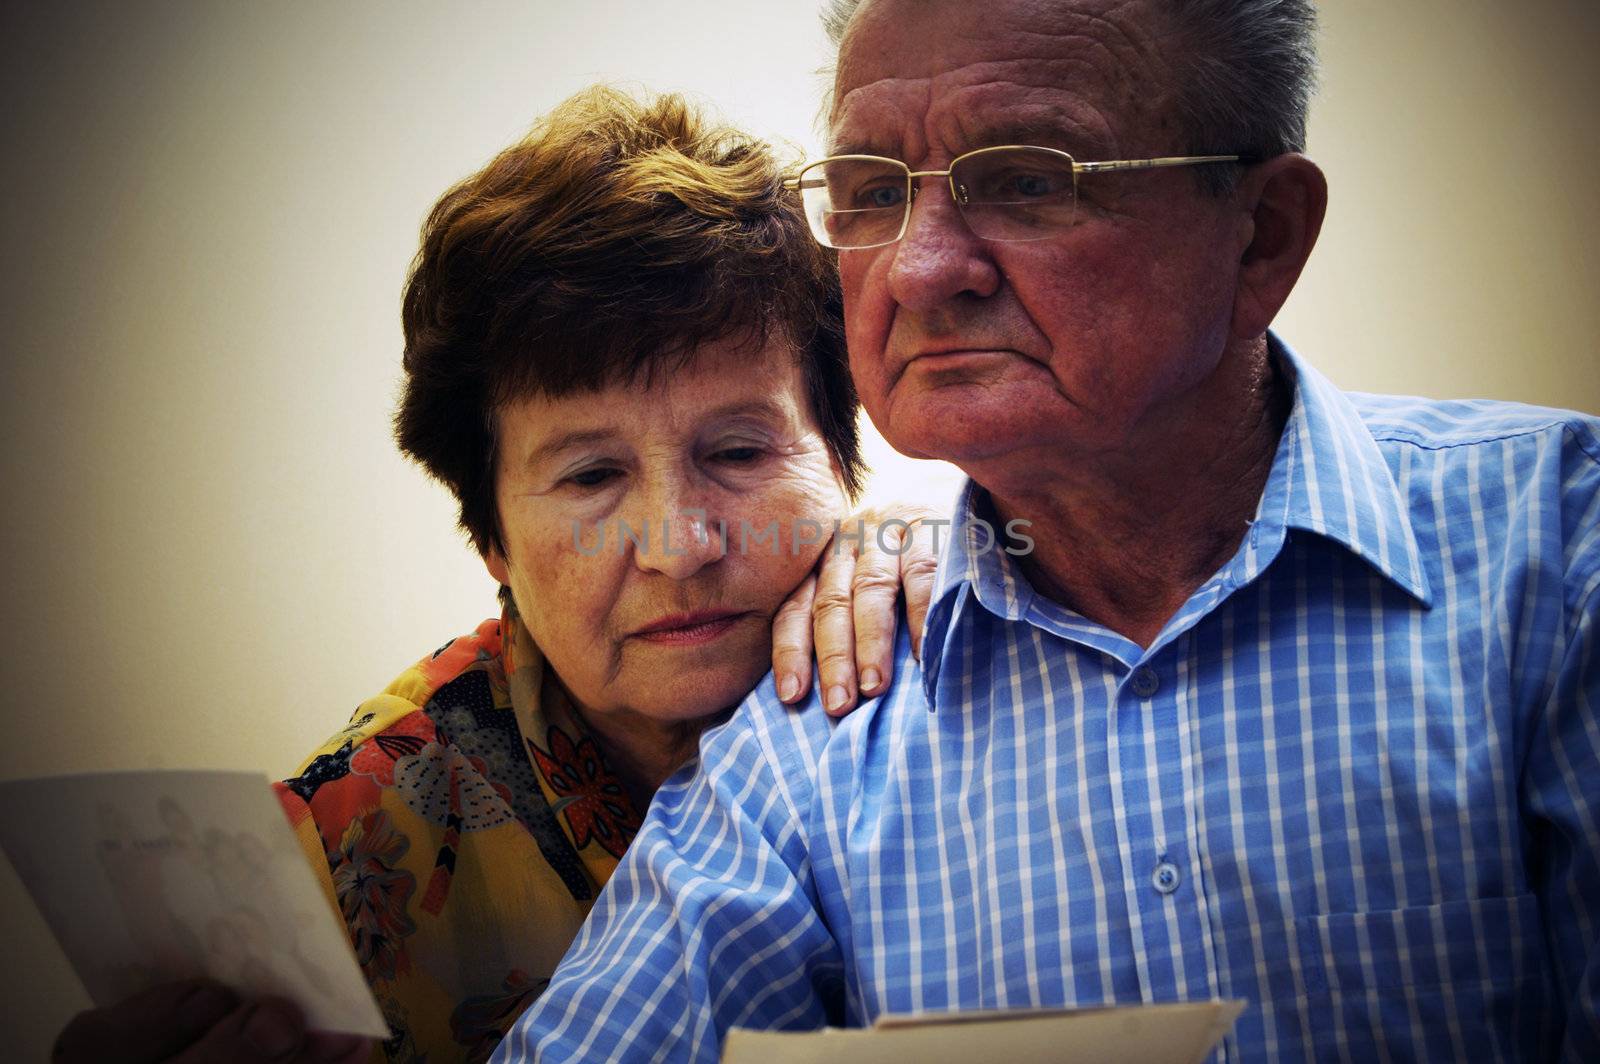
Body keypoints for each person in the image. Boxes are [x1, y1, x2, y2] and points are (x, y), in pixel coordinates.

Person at [501, 1, 1600, 1060]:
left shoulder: (1556, 554)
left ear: (1261, 238)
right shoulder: (826, 707)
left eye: (1027, 180)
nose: (920, 269)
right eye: (869, 191)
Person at [50, 87, 943, 1064]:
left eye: (737, 451)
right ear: (492, 541)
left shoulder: (960, 643)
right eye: (591, 474)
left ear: (845, 471)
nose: (678, 544)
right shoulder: (337, 853)